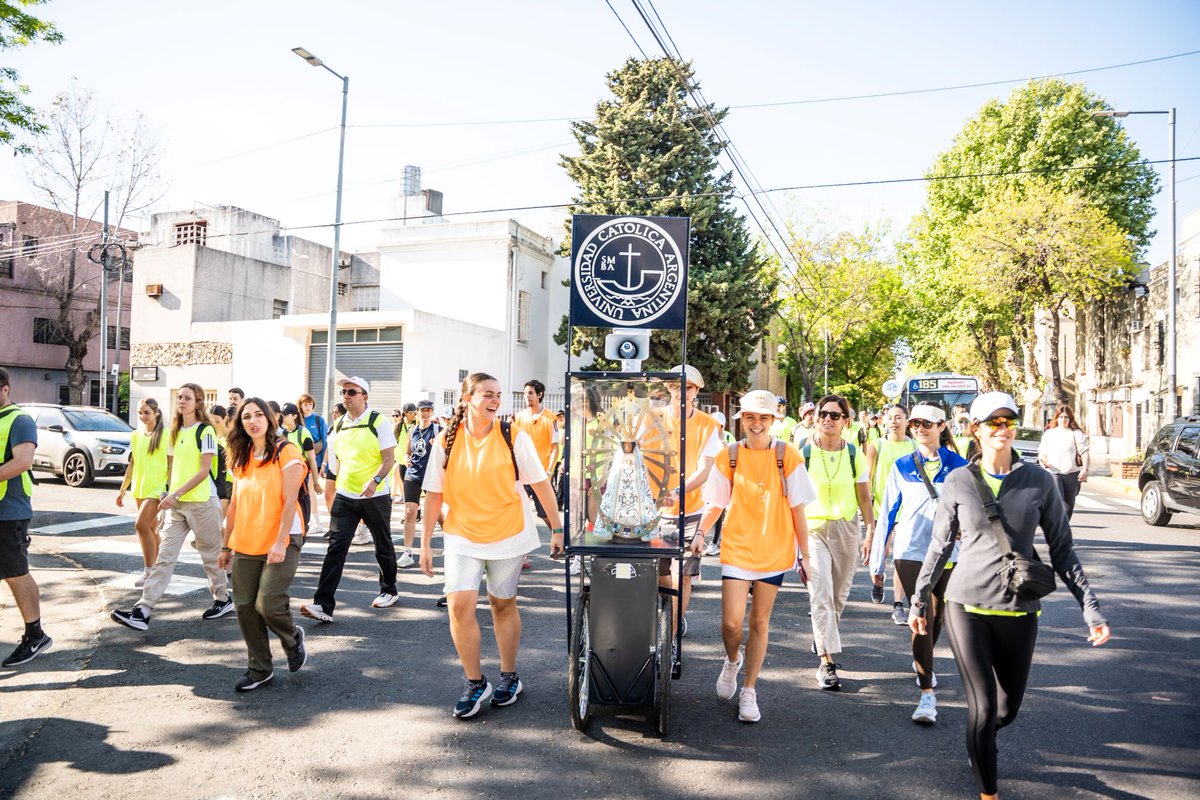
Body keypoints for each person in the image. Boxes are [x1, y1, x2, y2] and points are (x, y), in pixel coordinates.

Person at [911, 392, 1111, 800]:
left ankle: (980, 744)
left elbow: (1063, 549)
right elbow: (939, 547)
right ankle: (988, 790)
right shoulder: (959, 481)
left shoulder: (1039, 481)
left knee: (1006, 711)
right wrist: (919, 602)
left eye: (1007, 421)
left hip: (1020, 610)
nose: (1001, 429)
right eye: (992, 423)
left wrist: (1090, 608)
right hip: (966, 607)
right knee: (982, 711)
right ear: (976, 430)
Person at [418, 373, 564, 718]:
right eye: (488, 394)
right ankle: (474, 682)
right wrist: (424, 544)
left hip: (508, 535)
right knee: (458, 607)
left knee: (502, 605)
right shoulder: (446, 441)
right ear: (468, 397)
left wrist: (557, 528)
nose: (496, 400)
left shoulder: (514, 436)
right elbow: (434, 494)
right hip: (462, 536)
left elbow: (542, 485)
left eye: (499, 395)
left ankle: (510, 677)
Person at [692, 390, 815, 723]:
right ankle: (733, 660)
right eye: (750, 417)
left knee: (759, 622)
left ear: (773, 420)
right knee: (731, 624)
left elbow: (797, 510)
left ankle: (749, 690)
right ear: (741, 419)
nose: (756, 424)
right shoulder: (728, 455)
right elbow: (716, 503)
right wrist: (701, 532)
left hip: (774, 551)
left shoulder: (787, 456)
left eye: (763, 418)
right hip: (737, 548)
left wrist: (805, 555)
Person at [867, 404, 968, 724]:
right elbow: (887, 513)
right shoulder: (901, 465)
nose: (920, 428)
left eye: (927, 423)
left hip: (948, 553)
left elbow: (972, 510)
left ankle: (921, 658)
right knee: (921, 615)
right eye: (915, 424)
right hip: (909, 551)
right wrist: (877, 557)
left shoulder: (959, 465)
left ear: (942, 426)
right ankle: (927, 695)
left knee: (937, 618)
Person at [111, 383, 233, 631]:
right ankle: (143, 610)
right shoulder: (175, 432)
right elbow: (173, 468)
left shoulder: (205, 431)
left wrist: (175, 493)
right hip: (178, 505)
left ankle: (222, 599)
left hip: (202, 503)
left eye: (187, 398)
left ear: (198, 402)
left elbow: (203, 471)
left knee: (210, 557)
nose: (182, 401)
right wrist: (169, 491)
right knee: (164, 558)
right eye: (180, 397)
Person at [218, 398, 308, 692]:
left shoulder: (287, 451)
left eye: (259, 415)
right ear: (240, 423)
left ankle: (292, 639)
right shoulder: (240, 456)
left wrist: (281, 541)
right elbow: (234, 505)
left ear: (270, 419)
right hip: (246, 540)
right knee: (245, 607)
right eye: (246, 417)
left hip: (283, 536)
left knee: (267, 602)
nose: (253, 421)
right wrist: (225, 546)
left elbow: (290, 499)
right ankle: (260, 669)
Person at [301, 376, 399, 622]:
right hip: (346, 496)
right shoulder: (338, 426)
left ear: (364, 396)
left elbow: (389, 458)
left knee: (382, 544)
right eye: (344, 392)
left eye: (352, 392)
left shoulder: (379, 421)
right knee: (335, 548)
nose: (346, 396)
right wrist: (330, 494)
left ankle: (389, 589)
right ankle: (323, 605)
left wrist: (375, 480)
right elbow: (334, 467)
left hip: (375, 495)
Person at [803, 394, 873, 690]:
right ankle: (827, 662)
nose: (827, 420)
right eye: (823, 414)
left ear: (846, 422)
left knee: (838, 596)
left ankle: (822, 635)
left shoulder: (855, 453)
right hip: (812, 529)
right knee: (820, 593)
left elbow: (864, 495)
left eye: (835, 415)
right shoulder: (802, 452)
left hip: (846, 528)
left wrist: (871, 531)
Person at [654, 364, 722, 638]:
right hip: (655, 511)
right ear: (670, 388)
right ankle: (666, 613)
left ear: (697, 391)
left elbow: (705, 470)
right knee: (660, 576)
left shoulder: (708, 425)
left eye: (690, 387)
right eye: (678, 386)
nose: (683, 392)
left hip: (691, 510)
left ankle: (670, 635)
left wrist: (678, 491)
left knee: (682, 576)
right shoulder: (652, 418)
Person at [0, 367, 52, 668]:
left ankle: (35, 634)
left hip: (10, 511)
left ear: (5, 389)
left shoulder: (19, 420)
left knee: (16, 572)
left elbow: (22, 461)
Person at [865, 404, 917, 621]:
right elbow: (867, 477)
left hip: (909, 509)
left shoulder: (914, 446)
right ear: (885, 420)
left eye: (899, 417)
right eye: (891, 417)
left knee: (902, 556)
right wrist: (866, 507)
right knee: (881, 554)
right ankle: (878, 580)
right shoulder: (877, 445)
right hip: (882, 509)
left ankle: (899, 605)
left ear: (907, 421)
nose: (894, 421)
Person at [116, 398, 169, 588]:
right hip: (139, 487)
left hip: (157, 489)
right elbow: (133, 463)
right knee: (151, 529)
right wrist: (123, 489)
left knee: (141, 526)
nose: (143, 416)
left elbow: (171, 465)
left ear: (156, 413)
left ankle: (148, 571)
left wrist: (167, 489)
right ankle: (158, 570)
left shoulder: (166, 435)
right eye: (140, 412)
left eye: (146, 412)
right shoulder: (136, 435)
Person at [400, 400, 441, 570]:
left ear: (431, 413)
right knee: (410, 512)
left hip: (430, 476)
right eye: (422, 411)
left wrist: (437, 446)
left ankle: (451, 542)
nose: (425, 414)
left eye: (428, 410)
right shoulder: (412, 430)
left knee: (437, 514)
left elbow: (447, 451)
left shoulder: (438, 430)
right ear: (416, 412)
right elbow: (407, 452)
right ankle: (408, 552)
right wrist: (406, 458)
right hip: (413, 475)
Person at [1037, 406, 1089, 519]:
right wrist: (1043, 462)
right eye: (1061, 416)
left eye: (1066, 417)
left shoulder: (1076, 433)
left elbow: (1084, 452)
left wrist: (1085, 469)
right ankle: (1056, 526)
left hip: (1072, 473)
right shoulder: (1049, 434)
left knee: (1068, 506)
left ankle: (1063, 526)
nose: (1063, 419)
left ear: (1070, 419)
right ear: (1056, 418)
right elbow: (1042, 453)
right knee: (1058, 500)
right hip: (1053, 472)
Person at [280, 402, 323, 525]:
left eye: (286, 415)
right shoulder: (284, 434)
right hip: (287, 476)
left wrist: (315, 483)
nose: (283, 417)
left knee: (302, 504)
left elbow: (312, 459)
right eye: (282, 415)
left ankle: (304, 528)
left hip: (301, 477)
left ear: (294, 416)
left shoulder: (304, 433)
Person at [705, 410, 736, 556]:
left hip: (723, 478)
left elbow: (731, 457)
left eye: (719, 425)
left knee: (719, 509)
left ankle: (715, 542)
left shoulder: (728, 437)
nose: (717, 427)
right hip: (705, 477)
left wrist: (722, 439)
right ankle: (703, 537)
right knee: (706, 510)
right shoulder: (705, 435)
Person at [392, 403, 417, 503]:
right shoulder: (398, 426)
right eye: (412, 412)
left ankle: (415, 510)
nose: (415, 414)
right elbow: (393, 442)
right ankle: (412, 510)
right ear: (406, 413)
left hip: (414, 462)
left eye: (415, 412)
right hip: (401, 461)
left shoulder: (417, 426)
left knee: (413, 488)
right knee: (405, 486)